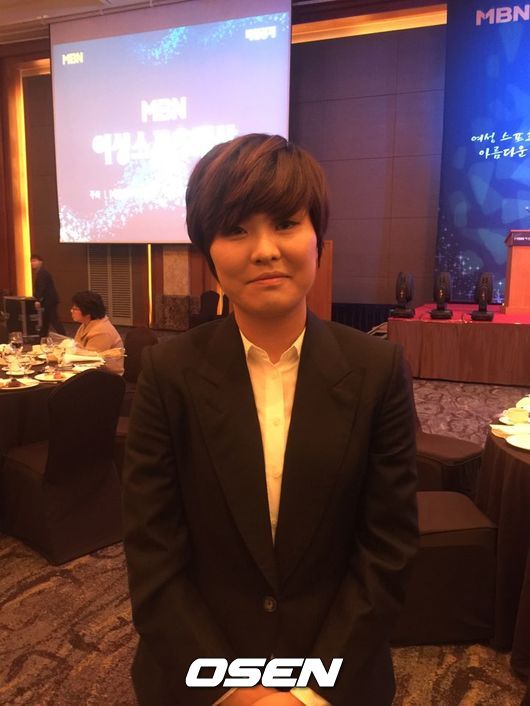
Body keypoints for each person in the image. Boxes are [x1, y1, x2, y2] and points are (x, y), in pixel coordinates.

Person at [122, 134, 418, 706]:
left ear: (317, 240)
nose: (264, 250)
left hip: (336, 672)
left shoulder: (377, 370)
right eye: (236, 230)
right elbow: (152, 552)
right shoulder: (169, 372)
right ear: (210, 256)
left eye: (285, 223)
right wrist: (235, 692)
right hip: (199, 674)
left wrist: (304, 693)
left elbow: (388, 548)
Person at [70, 290, 124, 375]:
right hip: (89, 371)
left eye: (75, 309)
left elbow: (90, 361)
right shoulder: (86, 324)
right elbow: (76, 349)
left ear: (88, 312)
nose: (71, 311)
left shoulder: (102, 330)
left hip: (107, 376)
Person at [30, 254, 66, 336]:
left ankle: (64, 337)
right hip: (48, 300)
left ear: (41, 262)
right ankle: (42, 336)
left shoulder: (42, 273)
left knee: (54, 320)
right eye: (31, 261)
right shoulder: (41, 272)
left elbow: (41, 287)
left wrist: (37, 300)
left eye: (34, 261)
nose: (32, 263)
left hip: (49, 301)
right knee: (46, 320)